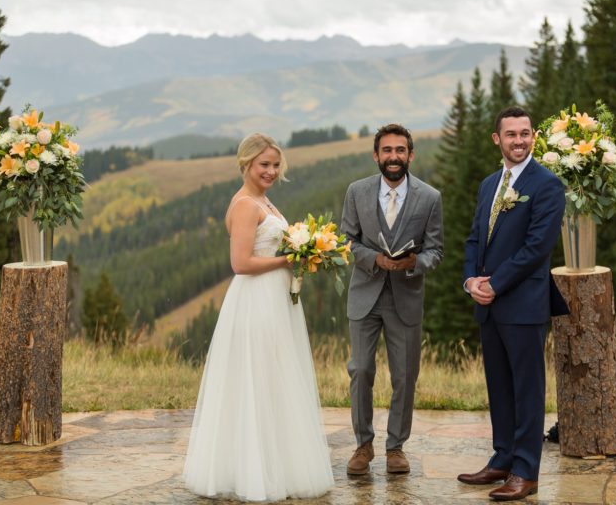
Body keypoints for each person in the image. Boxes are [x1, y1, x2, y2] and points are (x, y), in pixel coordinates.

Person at [183, 133, 334, 502]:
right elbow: (241, 263)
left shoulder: (265, 201)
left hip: (275, 301)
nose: (270, 171)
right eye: (263, 164)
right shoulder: (246, 205)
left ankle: (277, 465)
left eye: (275, 165)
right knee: (257, 380)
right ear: (246, 164)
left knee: (274, 380)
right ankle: (254, 472)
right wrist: (290, 258)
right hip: (256, 301)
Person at [457, 107, 568, 501]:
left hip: (523, 304)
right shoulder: (490, 184)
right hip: (487, 303)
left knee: (527, 389)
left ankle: (525, 470)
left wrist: (496, 284)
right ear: (497, 140)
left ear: (534, 136)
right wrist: (472, 281)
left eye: (525, 134)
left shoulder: (547, 184)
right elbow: (475, 239)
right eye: (511, 135)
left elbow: (537, 247)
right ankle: (502, 458)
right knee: (499, 386)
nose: (518, 140)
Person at [340, 124, 443, 475]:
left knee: (404, 375)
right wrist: (374, 259)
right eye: (387, 150)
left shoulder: (430, 197)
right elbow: (347, 241)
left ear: (410, 156)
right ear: (376, 155)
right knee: (361, 370)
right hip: (364, 296)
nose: (394, 157)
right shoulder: (356, 192)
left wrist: (415, 262)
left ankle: (396, 447)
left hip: (406, 297)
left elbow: (436, 251)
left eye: (400, 150)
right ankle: (363, 445)